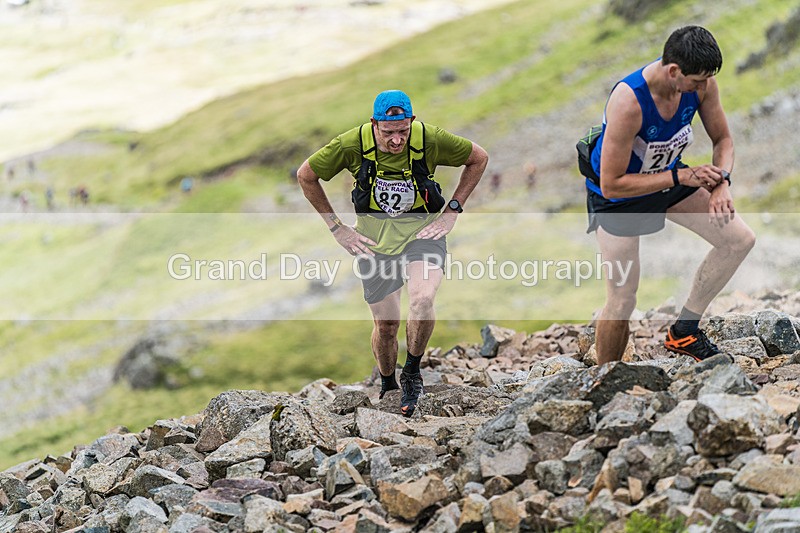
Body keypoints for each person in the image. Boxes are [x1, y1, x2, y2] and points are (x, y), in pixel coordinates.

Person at [297, 90, 488, 416]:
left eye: (403, 131)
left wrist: (453, 210)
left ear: (411, 121)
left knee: (423, 298)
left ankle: (412, 370)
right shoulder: (351, 144)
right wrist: (337, 228)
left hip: (423, 234)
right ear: (375, 124)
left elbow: (478, 158)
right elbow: (306, 175)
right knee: (386, 325)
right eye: (388, 133)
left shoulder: (429, 138)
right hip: (373, 244)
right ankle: (387, 380)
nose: (397, 140)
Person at [578, 26, 755, 364]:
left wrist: (722, 183)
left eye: (706, 81)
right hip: (619, 197)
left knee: (738, 240)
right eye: (697, 82)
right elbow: (612, 183)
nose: (703, 88)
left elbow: (724, 141)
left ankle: (685, 331)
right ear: (674, 71)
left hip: (670, 178)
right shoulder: (629, 101)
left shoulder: (702, 84)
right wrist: (679, 176)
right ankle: (604, 380)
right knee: (622, 300)